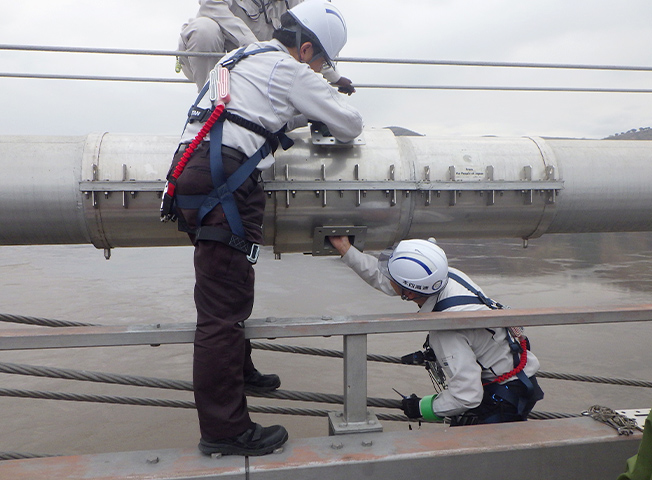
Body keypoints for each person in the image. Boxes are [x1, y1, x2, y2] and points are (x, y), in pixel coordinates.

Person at [165, 1, 363, 456]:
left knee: (230, 290)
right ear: (307, 47)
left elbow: (253, 112)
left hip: (196, 172)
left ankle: (240, 368)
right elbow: (350, 124)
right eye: (319, 63)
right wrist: (323, 98)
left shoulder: (239, 58)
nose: (318, 70)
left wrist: (301, 110)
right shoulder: (289, 69)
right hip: (225, 182)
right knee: (219, 315)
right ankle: (225, 431)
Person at [328, 236, 544, 426]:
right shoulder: (446, 275)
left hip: (501, 399)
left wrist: (421, 407)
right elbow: (389, 280)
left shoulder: (447, 327)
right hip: (518, 377)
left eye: (393, 277)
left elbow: (467, 396)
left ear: (409, 293)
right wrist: (346, 249)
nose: (387, 278)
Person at [177, 0, 355, 94]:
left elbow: (309, 40)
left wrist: (335, 77)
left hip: (254, 67)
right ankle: (208, 105)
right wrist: (255, 47)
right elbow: (210, 6)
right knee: (204, 30)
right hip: (209, 60)